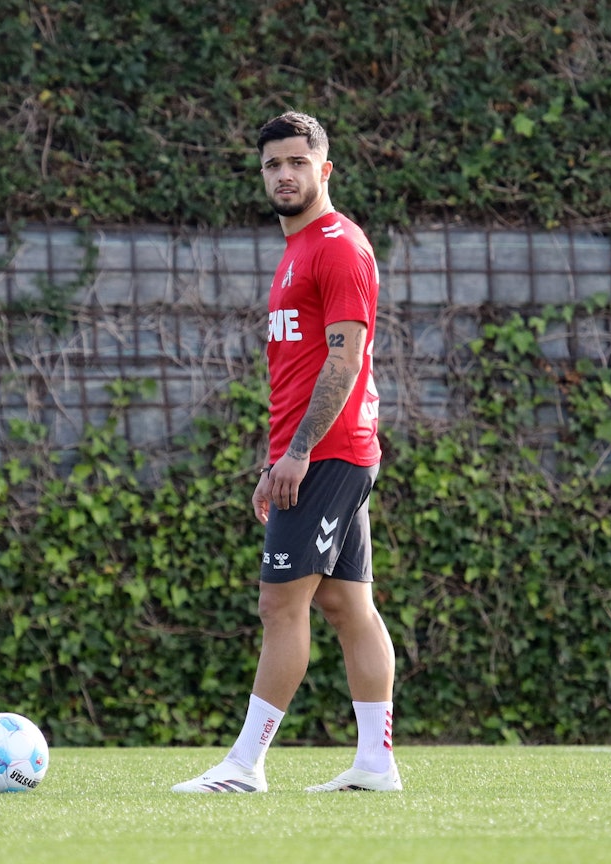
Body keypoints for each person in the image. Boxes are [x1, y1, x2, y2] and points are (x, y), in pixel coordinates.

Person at [172, 112, 398, 793]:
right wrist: (278, 456)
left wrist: (296, 454)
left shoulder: (337, 246)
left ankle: (245, 765)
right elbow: (304, 369)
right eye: (273, 164)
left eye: (298, 162)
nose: (285, 174)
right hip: (317, 451)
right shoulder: (298, 248)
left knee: (280, 605)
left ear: (324, 169)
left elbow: (346, 360)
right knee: (346, 605)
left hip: (329, 453)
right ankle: (374, 763)